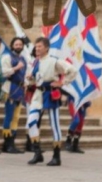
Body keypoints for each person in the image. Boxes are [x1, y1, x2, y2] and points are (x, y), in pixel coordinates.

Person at [26, 37, 77, 167]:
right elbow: (34, 79)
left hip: (50, 94)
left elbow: (72, 70)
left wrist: (62, 83)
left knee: (54, 125)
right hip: (38, 94)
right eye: (36, 46)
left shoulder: (54, 61)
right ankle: (37, 153)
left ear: (46, 48)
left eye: (40, 46)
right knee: (31, 122)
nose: (37, 48)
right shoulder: (35, 62)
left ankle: (56, 156)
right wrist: (30, 79)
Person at [1, 36, 29, 154]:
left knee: (16, 118)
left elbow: (25, 74)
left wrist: (26, 83)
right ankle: (7, 143)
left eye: (20, 44)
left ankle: (12, 141)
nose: (18, 46)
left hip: (20, 89)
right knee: (9, 116)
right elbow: (4, 72)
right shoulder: (7, 57)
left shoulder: (23, 59)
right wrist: (17, 67)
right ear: (12, 45)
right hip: (10, 87)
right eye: (16, 44)